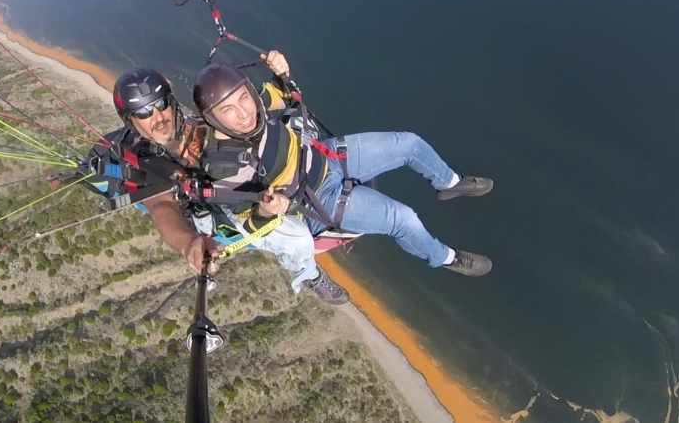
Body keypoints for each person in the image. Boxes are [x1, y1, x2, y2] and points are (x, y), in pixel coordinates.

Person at [191, 52, 494, 277]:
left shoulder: (258, 106)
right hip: (316, 198)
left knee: (410, 144)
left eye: (244, 98)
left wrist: (281, 72)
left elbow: (285, 94)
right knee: (404, 220)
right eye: (228, 110)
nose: (244, 113)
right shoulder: (224, 167)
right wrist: (266, 211)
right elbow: (247, 226)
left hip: (327, 155)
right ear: (214, 119)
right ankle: (445, 258)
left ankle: (450, 183)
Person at [98, 67, 349, 303]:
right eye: (143, 113)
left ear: (171, 102)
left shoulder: (196, 125)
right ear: (130, 120)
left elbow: (250, 115)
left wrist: (279, 81)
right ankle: (309, 274)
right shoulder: (148, 164)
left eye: (161, 104)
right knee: (297, 238)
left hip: (239, 184)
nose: (158, 117)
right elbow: (163, 209)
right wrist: (189, 243)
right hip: (217, 210)